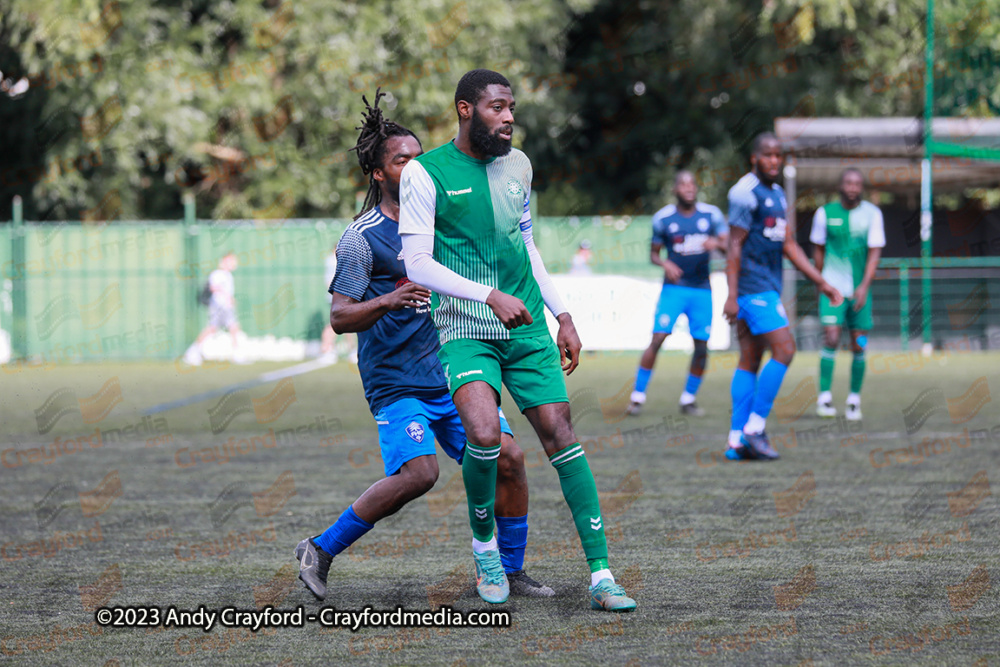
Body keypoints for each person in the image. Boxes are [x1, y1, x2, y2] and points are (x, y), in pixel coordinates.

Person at [295, 91, 552, 601]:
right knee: (421, 473)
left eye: (418, 156)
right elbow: (340, 316)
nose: (415, 165)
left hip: (452, 368)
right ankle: (320, 549)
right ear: (378, 174)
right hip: (396, 381)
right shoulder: (361, 238)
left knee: (510, 459)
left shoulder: (443, 218)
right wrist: (390, 299)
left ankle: (512, 570)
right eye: (401, 160)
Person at [399, 69, 636, 611]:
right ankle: (486, 552)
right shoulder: (424, 174)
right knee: (483, 436)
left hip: (525, 324)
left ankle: (601, 574)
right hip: (465, 327)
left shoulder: (520, 165)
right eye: (497, 107)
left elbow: (526, 245)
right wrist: (486, 296)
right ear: (465, 109)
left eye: (512, 108)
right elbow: (417, 263)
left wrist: (564, 313)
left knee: (560, 432)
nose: (509, 118)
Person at [723, 133, 843, 461]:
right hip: (751, 287)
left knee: (749, 359)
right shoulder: (743, 193)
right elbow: (733, 245)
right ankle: (754, 428)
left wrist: (822, 282)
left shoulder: (776, 194)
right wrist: (732, 295)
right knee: (786, 349)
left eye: (779, 155)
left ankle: (735, 441)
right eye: (767, 155)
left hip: (763, 286)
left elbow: (789, 245)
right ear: (754, 158)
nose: (774, 161)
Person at [628, 170, 728, 417]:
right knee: (658, 338)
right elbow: (654, 254)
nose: (689, 188)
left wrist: (716, 243)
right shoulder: (663, 218)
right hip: (674, 289)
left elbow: (729, 246)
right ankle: (637, 397)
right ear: (675, 189)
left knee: (702, 345)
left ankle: (688, 399)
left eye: (692, 183)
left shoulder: (711, 215)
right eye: (683, 184)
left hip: (702, 289)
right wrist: (666, 264)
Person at [810, 168, 884, 421]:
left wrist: (864, 286)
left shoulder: (873, 215)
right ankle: (824, 397)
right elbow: (817, 249)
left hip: (860, 291)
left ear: (861, 188)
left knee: (859, 344)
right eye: (848, 183)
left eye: (857, 183)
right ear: (840, 186)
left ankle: (854, 399)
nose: (853, 187)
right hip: (832, 290)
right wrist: (820, 283)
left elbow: (874, 253)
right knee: (831, 337)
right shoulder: (824, 213)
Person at [183, 252, 245, 365]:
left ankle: (237, 353)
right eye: (231, 261)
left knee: (232, 328)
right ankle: (192, 352)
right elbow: (214, 287)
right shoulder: (217, 274)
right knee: (214, 328)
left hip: (225, 307)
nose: (234, 263)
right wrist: (226, 297)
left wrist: (230, 299)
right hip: (219, 306)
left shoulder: (228, 275)